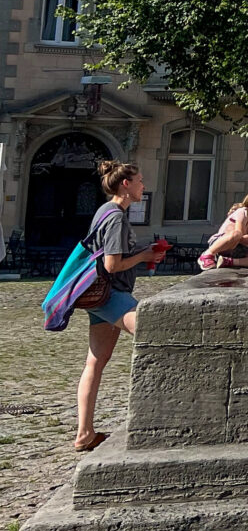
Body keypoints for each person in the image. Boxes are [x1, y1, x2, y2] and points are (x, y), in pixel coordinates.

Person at [75, 161, 166, 452]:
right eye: (139, 181)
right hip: (112, 294)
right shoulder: (115, 217)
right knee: (160, 337)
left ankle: (84, 434)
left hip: (99, 295)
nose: (143, 186)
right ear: (125, 184)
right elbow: (112, 264)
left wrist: (143, 253)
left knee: (95, 362)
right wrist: (143, 257)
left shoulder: (105, 211)